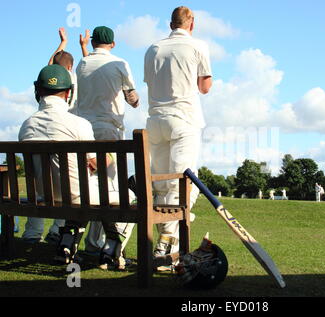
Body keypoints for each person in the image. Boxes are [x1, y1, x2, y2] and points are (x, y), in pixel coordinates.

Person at [19, 65, 135, 269]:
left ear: (38, 91)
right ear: (69, 92)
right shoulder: (78, 124)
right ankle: (111, 250)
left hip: (42, 196)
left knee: (84, 196)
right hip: (75, 195)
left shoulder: (26, 125)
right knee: (130, 196)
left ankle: (66, 243)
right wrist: (110, 156)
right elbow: (94, 163)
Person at [144, 6, 212, 263]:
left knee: (161, 183)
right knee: (183, 183)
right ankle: (167, 242)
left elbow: (151, 83)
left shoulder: (153, 48)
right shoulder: (198, 46)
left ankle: (163, 243)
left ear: (170, 24)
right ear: (191, 24)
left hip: (155, 121)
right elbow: (204, 87)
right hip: (183, 119)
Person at [76, 26, 140, 255]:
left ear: (92, 42)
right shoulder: (120, 64)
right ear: (112, 44)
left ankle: (91, 245)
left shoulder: (82, 64)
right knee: (111, 189)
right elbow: (132, 97)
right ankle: (105, 245)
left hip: (82, 132)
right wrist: (134, 100)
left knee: (90, 188)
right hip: (109, 133)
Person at [22, 28, 80, 245]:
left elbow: (48, 68)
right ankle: (58, 230)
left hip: (40, 189)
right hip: (66, 131)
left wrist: (62, 44)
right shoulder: (70, 81)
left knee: (39, 184)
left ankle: (32, 234)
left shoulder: (26, 124)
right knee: (68, 182)